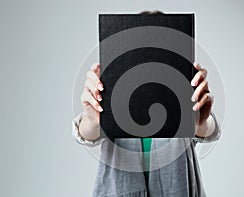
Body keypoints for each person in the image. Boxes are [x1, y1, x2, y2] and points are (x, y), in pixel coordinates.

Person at [72, 11, 221, 197]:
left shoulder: (179, 90)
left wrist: (200, 122)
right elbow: (85, 133)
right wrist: (94, 120)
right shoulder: (114, 90)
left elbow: (209, 130)